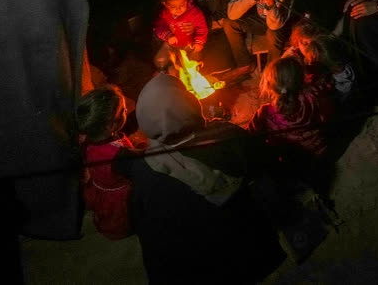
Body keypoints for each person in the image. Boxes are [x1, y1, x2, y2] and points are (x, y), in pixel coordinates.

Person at [121, 73, 283, 283]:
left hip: (190, 272)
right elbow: (267, 161)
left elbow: (147, 230)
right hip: (246, 252)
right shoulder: (227, 136)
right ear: (189, 104)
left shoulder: (144, 169)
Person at [248, 54, 336, 175]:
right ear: (301, 78)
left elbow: (252, 136)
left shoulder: (265, 113)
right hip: (320, 151)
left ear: (269, 85)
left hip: (291, 160)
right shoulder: (314, 95)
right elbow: (327, 116)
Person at [75, 85, 137, 240]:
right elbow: (137, 168)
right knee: (123, 218)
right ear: (111, 125)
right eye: (123, 110)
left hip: (100, 189)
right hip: (121, 198)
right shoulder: (119, 155)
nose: (126, 111)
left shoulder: (88, 139)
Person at [152, 0, 208, 73]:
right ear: (165, 4)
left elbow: (202, 28)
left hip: (189, 44)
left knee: (194, 58)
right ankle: (164, 71)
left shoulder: (194, 13)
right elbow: (159, 27)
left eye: (182, 5)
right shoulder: (164, 14)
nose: (178, 9)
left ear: (186, 0)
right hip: (171, 44)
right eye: (173, 7)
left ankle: (183, 70)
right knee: (159, 60)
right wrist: (168, 36)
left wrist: (199, 42)